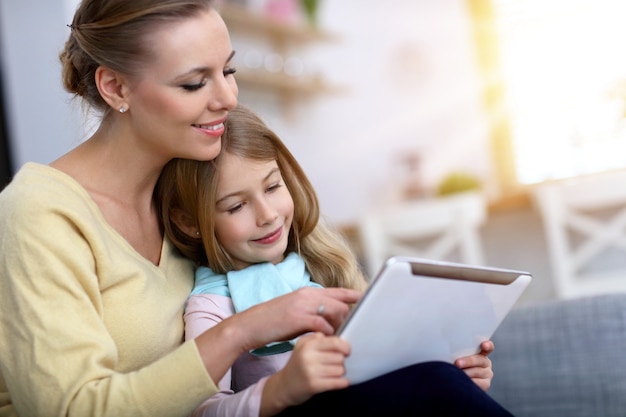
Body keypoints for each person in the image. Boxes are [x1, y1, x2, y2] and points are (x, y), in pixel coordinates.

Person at [0, 1, 362, 416]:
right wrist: (241, 331)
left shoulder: (188, 191)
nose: (228, 98)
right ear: (116, 88)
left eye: (228, 71)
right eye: (194, 84)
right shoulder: (38, 214)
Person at [155, 105, 513, 416]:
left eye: (272, 187)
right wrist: (281, 388)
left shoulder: (319, 270)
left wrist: (457, 379)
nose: (267, 215)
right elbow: (203, 412)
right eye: (236, 206)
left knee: (437, 377)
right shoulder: (212, 305)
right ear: (190, 222)